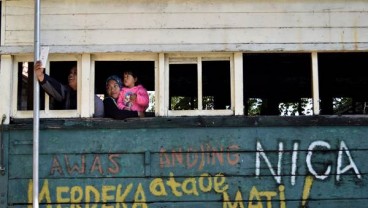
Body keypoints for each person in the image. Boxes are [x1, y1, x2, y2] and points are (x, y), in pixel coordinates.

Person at [34, 61, 104, 117]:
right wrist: (41, 76)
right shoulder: (67, 92)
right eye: (70, 73)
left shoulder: (95, 101)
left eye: (75, 73)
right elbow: (55, 87)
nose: (70, 75)